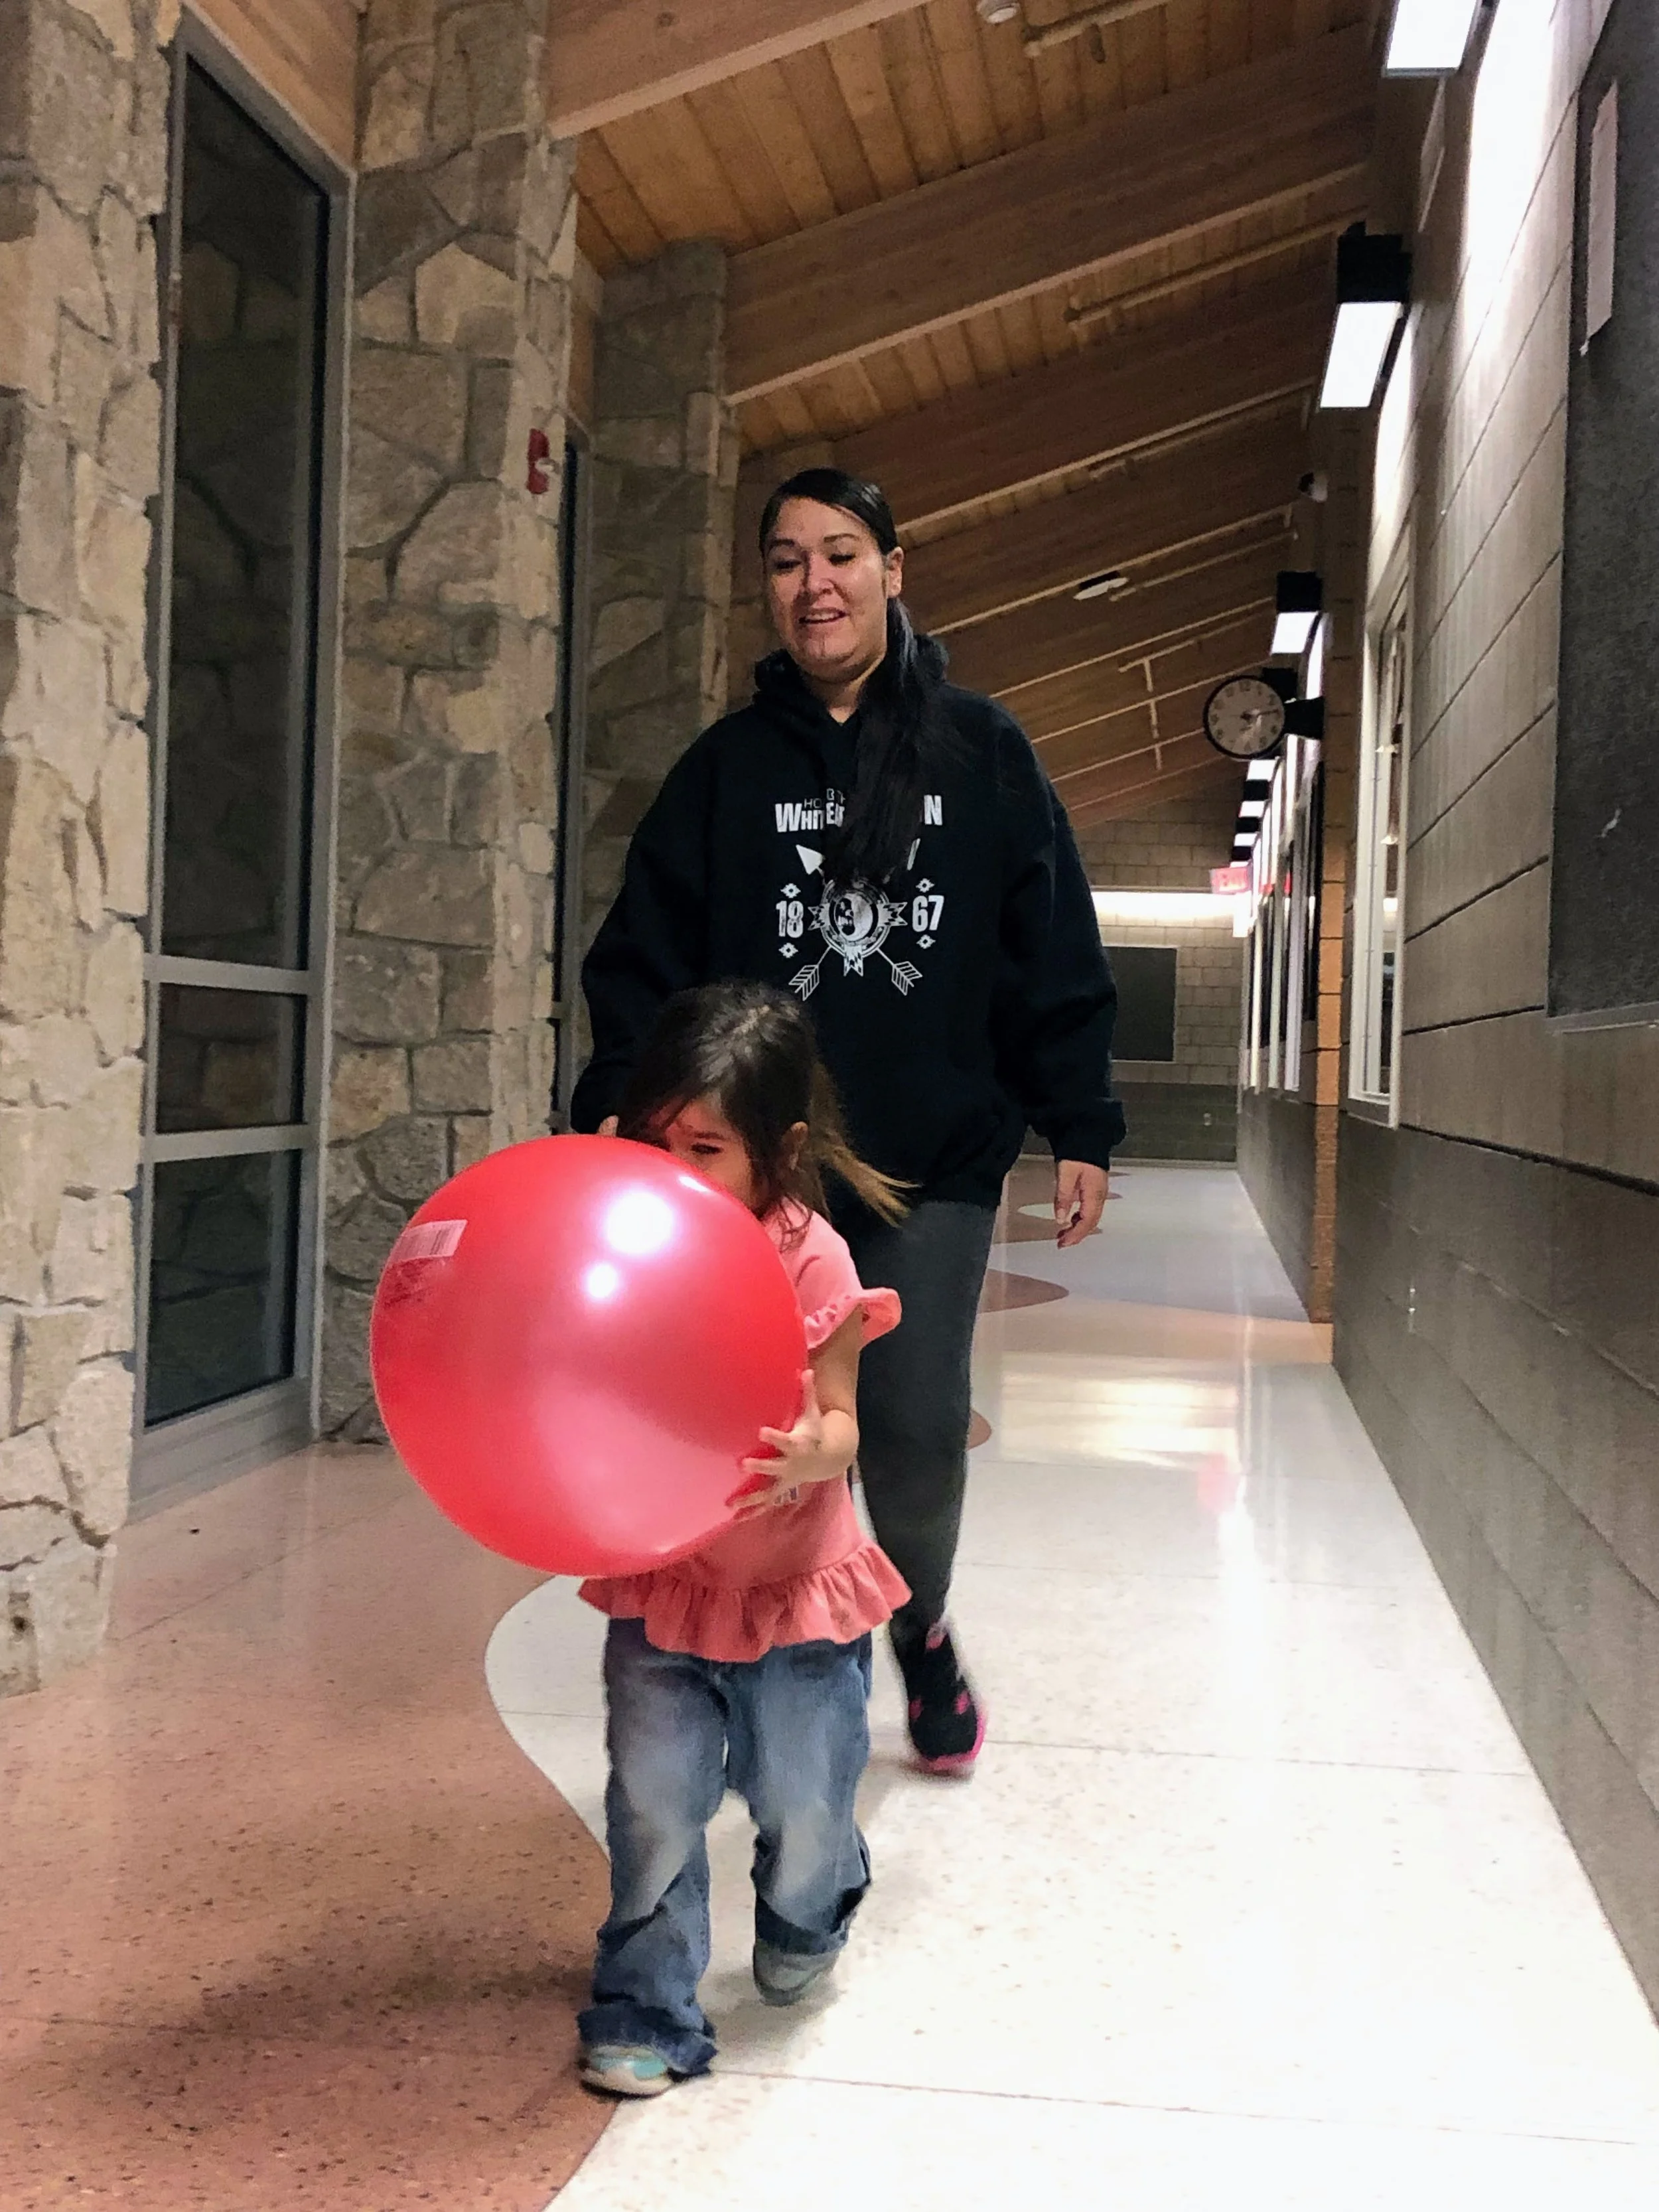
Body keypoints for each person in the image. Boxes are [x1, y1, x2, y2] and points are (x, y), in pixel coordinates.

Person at [572, 468, 1124, 1773]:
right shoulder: (726, 771)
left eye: (837, 554)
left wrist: (1079, 1119)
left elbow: (1048, 939)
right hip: (763, 1173)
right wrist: (615, 1104)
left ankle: (918, 1627)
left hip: (929, 1162)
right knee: (739, 1417)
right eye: (782, 562)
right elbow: (639, 953)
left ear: (891, 566)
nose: (811, 583)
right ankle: (737, 1639)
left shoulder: (979, 749)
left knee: (913, 1420)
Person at [576, 980, 906, 2100]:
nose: (677, 1172)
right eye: (657, 1142)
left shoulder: (813, 1261)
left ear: (781, 1151)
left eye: (706, 1148)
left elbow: (842, 1413)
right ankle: (645, 2000)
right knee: (655, 1799)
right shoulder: (624, 1241)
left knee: (803, 1803)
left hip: (795, 1594)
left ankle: (818, 1895)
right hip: (667, 1586)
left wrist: (818, 1451)